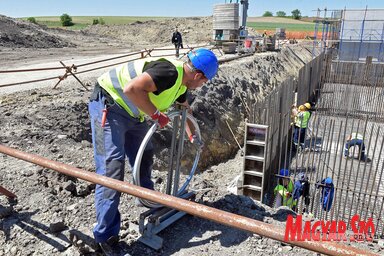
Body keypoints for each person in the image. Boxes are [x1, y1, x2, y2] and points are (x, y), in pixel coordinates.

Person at [88, 48, 219, 255]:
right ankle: (105, 237)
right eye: (205, 81)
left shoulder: (181, 85)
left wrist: (193, 135)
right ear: (198, 75)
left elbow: (185, 109)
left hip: (133, 113)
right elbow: (132, 89)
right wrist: (157, 115)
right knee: (111, 169)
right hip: (110, 105)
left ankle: (147, 200)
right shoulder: (169, 72)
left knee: (145, 156)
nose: (203, 85)